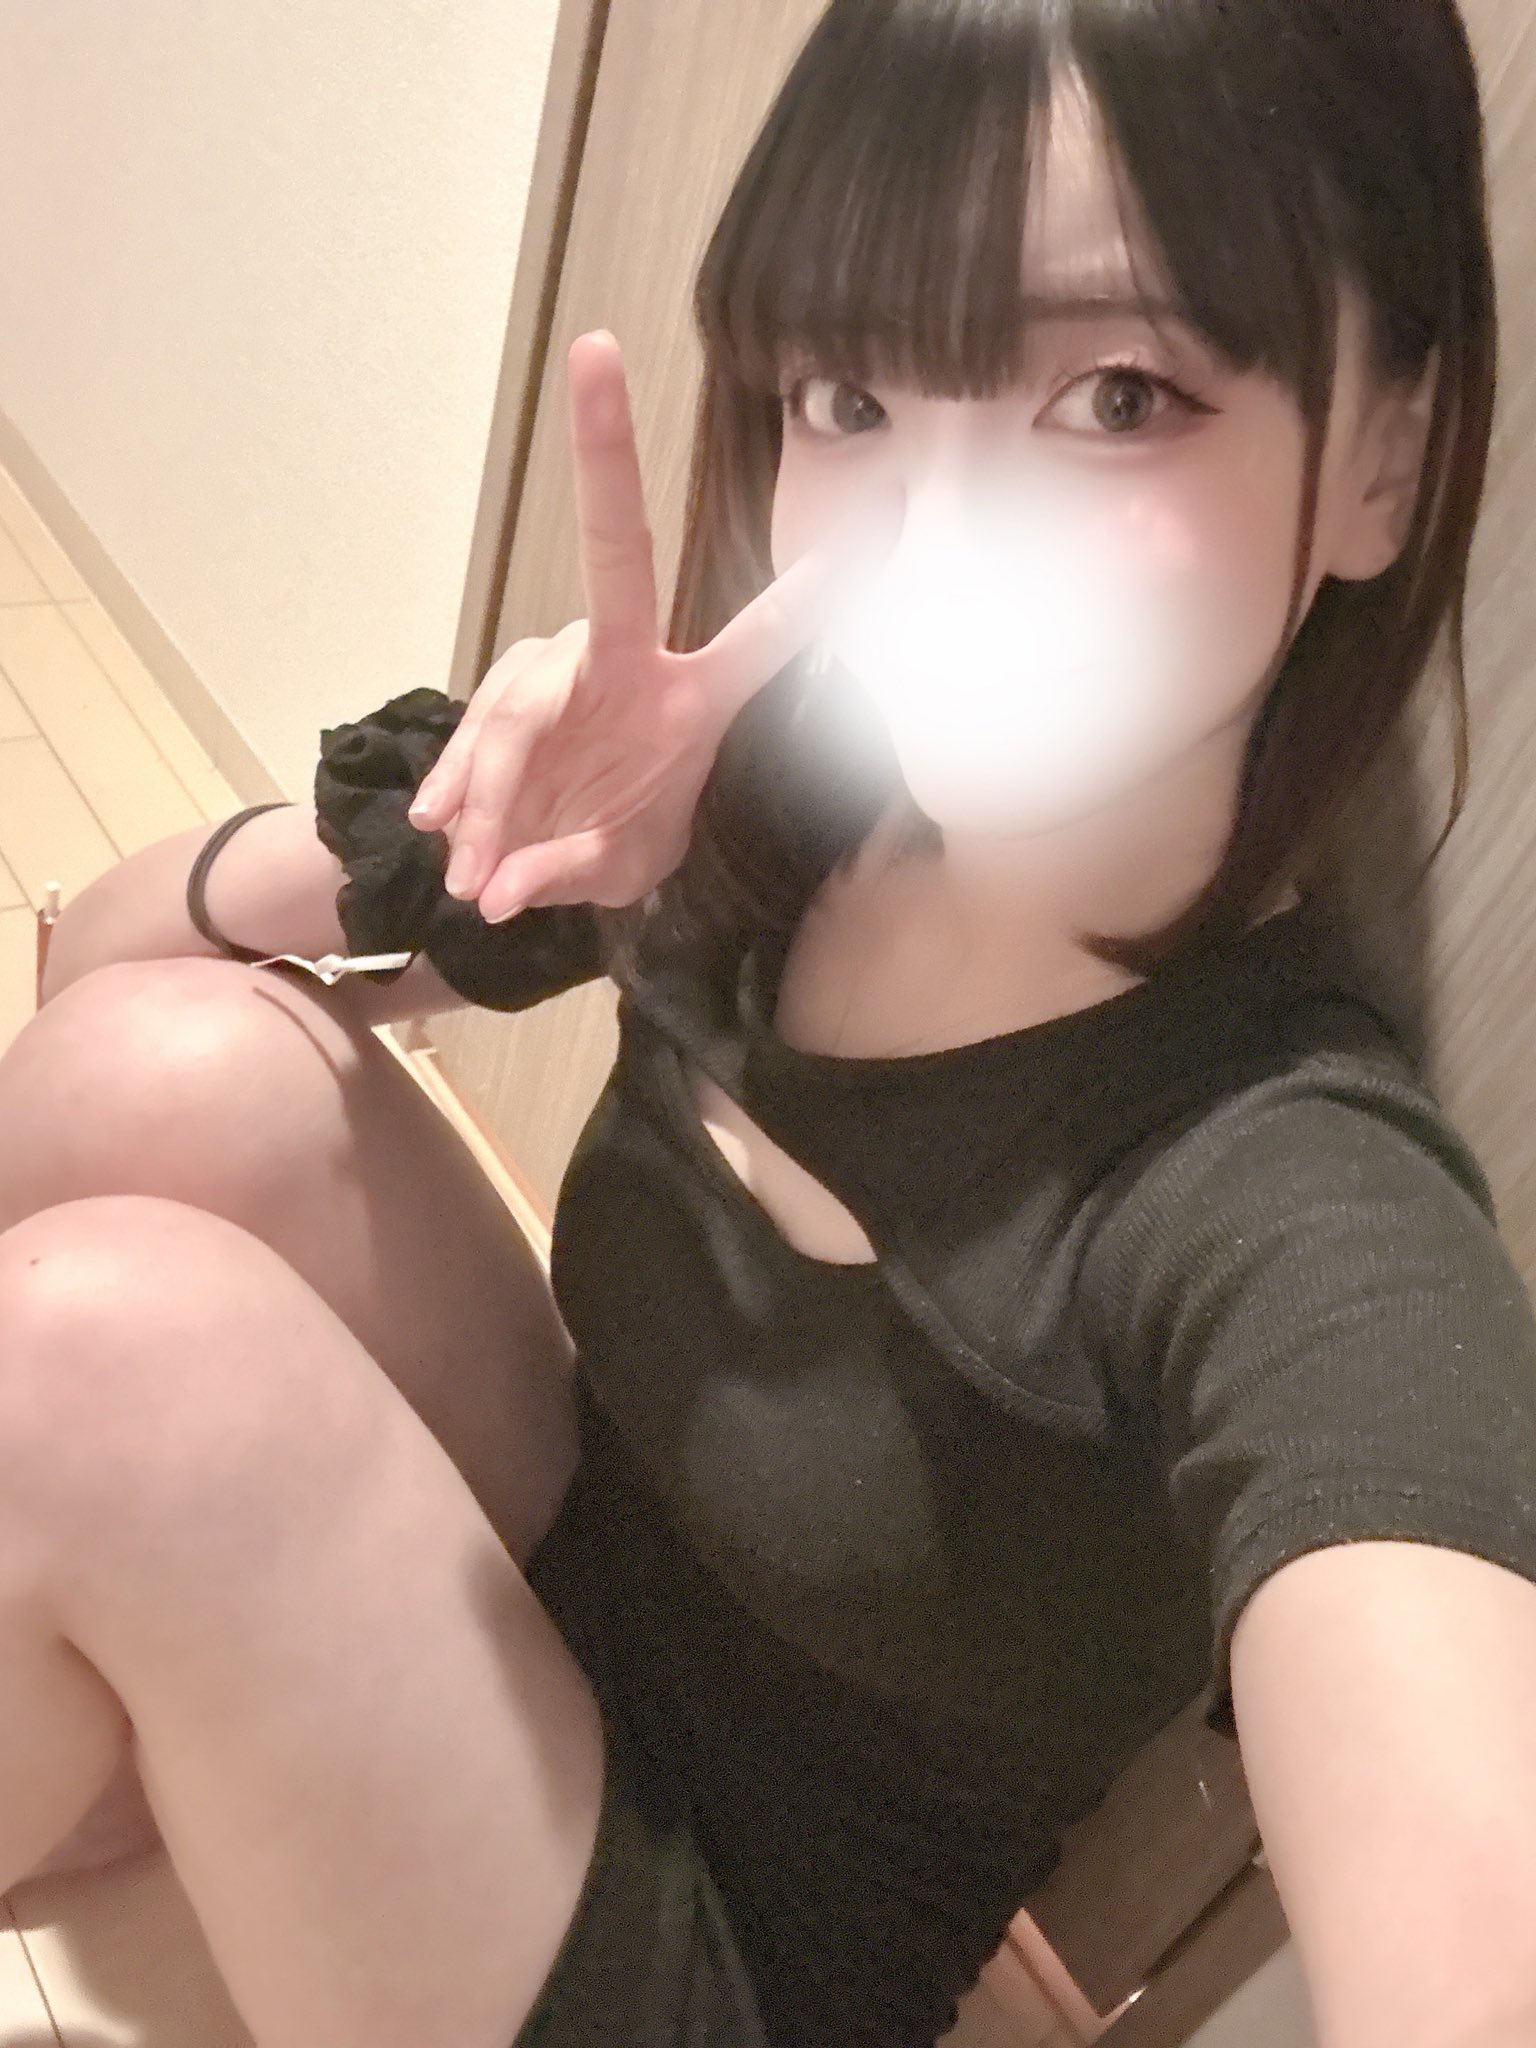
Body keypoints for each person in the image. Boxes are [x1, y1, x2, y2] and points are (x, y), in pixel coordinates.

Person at [5, 4, 1536, 2047]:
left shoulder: (1283, 1186)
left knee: (108, 1357)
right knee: (163, 1079)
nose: (935, 538)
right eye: (851, 393)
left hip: (733, 1983)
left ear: (1384, 459)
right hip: (534, 1638)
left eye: (1115, 395)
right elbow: (91, 977)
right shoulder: (783, 806)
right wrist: (477, 837)